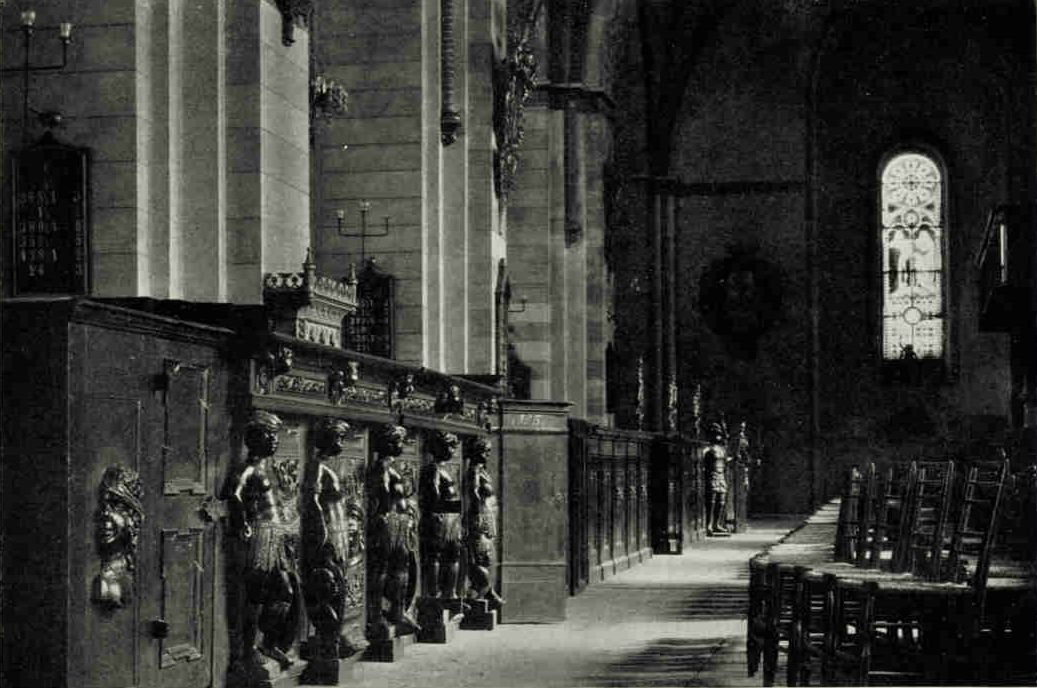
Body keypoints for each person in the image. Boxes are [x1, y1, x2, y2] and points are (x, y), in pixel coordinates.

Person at [225, 410, 300, 671]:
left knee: (285, 591)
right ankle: (247, 651)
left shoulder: (264, 468)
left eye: (275, 436)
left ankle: (269, 643)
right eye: (269, 436)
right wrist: (243, 523)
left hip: (275, 536)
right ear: (256, 438)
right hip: (260, 536)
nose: (274, 441)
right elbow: (232, 494)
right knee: (254, 597)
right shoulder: (248, 469)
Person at [419, 431, 464, 600]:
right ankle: (434, 594)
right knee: (435, 555)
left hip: (450, 517)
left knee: (453, 554)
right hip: (440, 516)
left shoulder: (444, 468)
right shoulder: (433, 468)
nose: (452, 450)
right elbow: (434, 492)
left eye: (453, 446)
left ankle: (450, 593)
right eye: (449, 446)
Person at [465, 437, 504, 609]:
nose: (487, 455)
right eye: (484, 451)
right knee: (481, 555)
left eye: (488, 451)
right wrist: (479, 513)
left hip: (487, 515)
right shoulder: (474, 470)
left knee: (488, 555)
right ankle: (481, 591)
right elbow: (473, 493)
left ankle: (487, 590)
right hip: (479, 516)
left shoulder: (482, 470)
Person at [705, 422, 732, 536]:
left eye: (719, 434)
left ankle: (717, 524)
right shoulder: (707, 449)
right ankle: (709, 524)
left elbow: (725, 461)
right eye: (715, 434)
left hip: (721, 475)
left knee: (721, 501)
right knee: (711, 501)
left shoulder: (722, 449)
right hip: (712, 474)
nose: (718, 437)